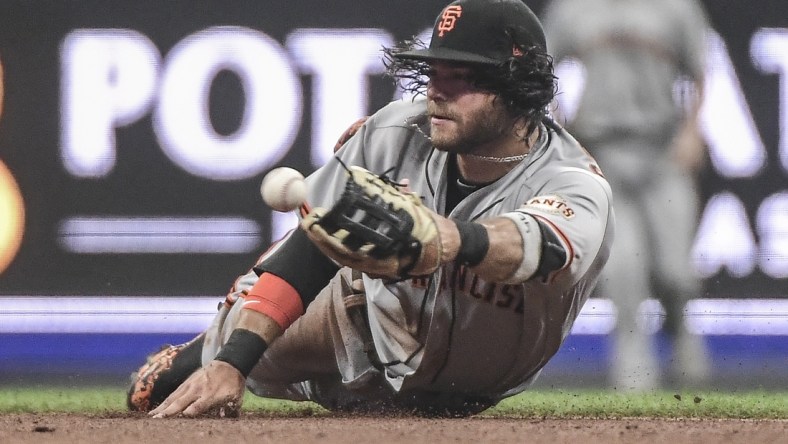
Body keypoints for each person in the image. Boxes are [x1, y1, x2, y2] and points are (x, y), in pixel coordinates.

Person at [127, 0, 614, 418]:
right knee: (220, 360)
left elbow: (537, 247)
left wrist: (450, 238)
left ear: (517, 87)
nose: (436, 91)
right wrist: (232, 362)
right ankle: (201, 352)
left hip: (478, 381)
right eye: (434, 73)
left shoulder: (572, 181)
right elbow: (314, 245)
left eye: (461, 77)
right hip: (360, 320)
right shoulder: (395, 134)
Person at [540, 0, 711, 391]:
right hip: (603, 155)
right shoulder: (572, 9)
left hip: (661, 151)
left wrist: (692, 130)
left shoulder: (676, 8)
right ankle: (634, 368)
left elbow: (701, 70)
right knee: (622, 273)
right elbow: (542, 72)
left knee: (675, 272)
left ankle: (680, 328)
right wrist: (563, 130)